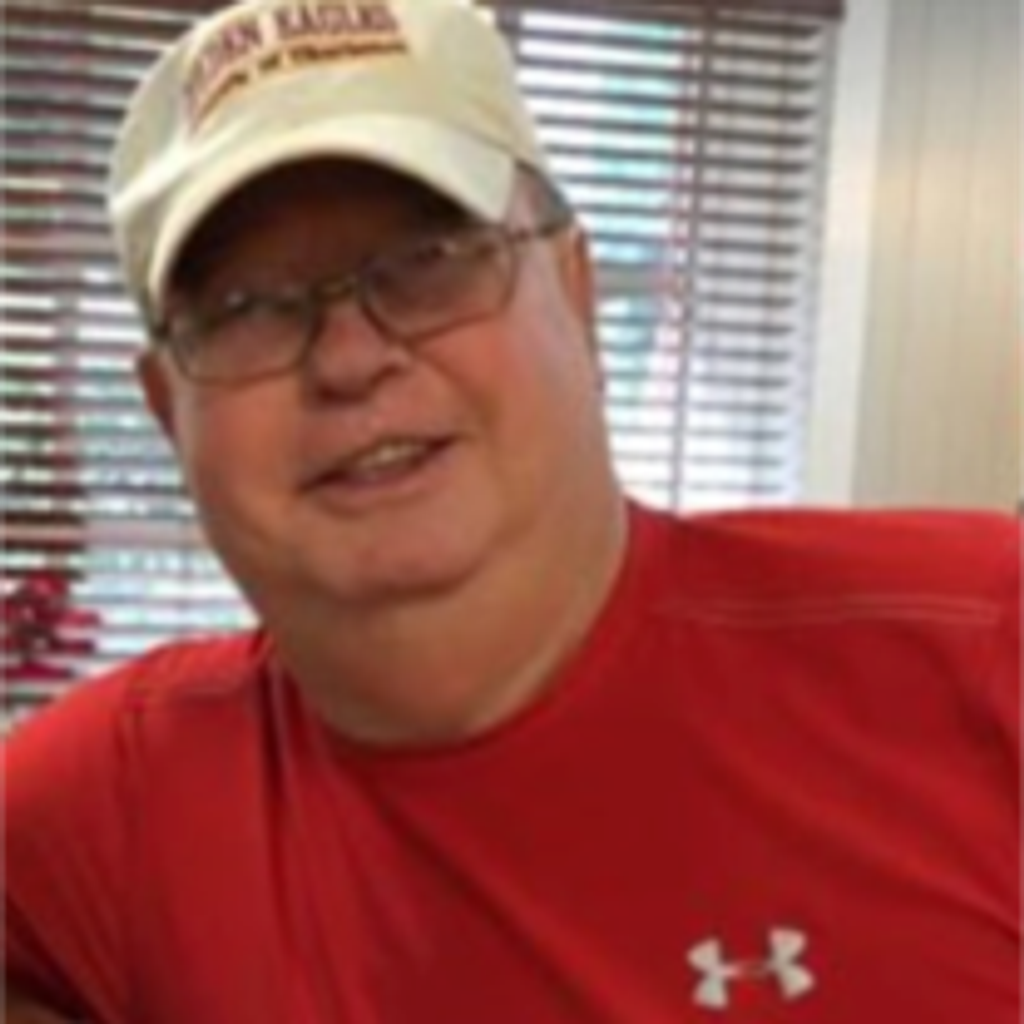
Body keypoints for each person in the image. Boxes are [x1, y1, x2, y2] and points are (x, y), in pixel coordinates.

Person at [1, 0, 1022, 1019]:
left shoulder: (981, 647)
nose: (350, 359)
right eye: (245, 309)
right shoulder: (101, 816)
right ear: (167, 411)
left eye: (429, 262)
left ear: (576, 297)